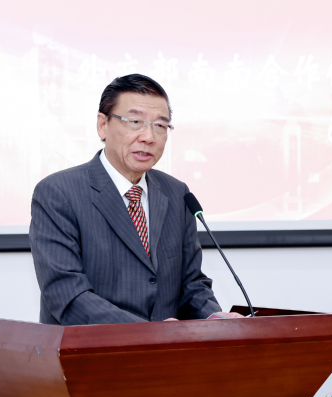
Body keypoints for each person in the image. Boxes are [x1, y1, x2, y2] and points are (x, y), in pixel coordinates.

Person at [29, 74, 242, 325]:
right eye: (135, 121)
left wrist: (214, 318)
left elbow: (191, 285)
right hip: (90, 349)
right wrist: (148, 335)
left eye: (160, 125)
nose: (148, 136)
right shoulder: (59, 193)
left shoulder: (177, 194)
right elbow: (67, 295)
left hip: (166, 349)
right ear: (103, 125)